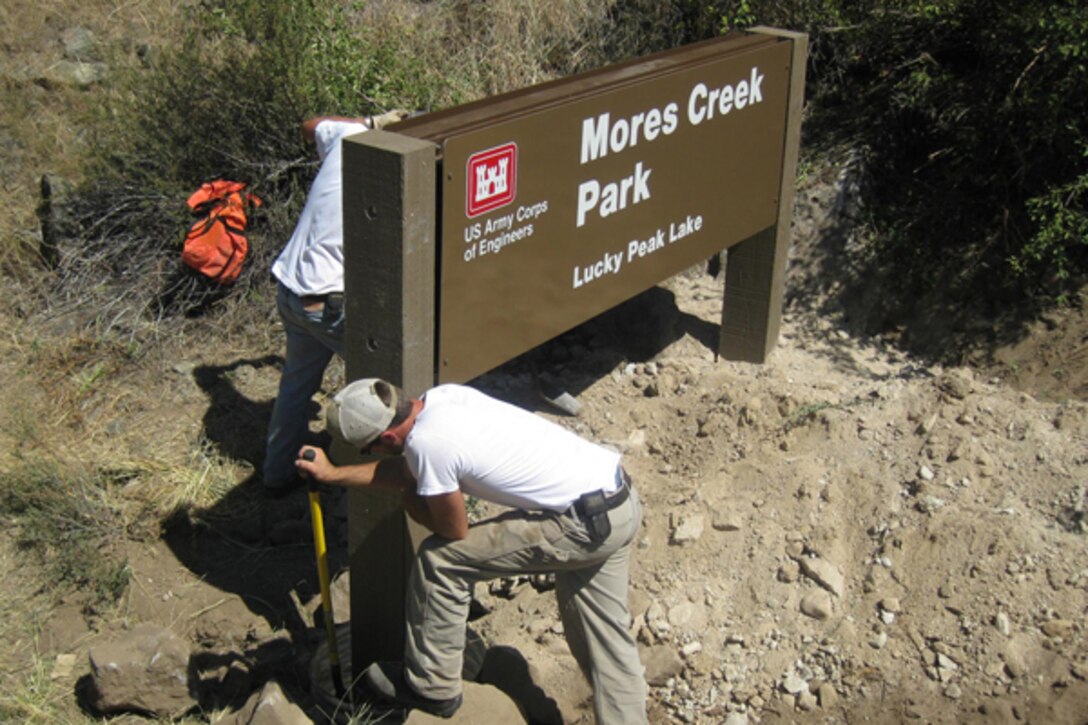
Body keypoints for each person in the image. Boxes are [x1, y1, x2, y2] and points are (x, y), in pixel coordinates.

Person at [297, 378, 649, 722]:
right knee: (605, 644)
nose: (371, 453)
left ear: (388, 437)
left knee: (441, 560)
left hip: (581, 526)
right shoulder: (443, 398)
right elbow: (409, 470)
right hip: (617, 502)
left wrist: (412, 503)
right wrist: (333, 474)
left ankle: (432, 686)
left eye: (369, 448)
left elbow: (454, 529)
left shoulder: (428, 444)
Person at [262, 111, 407, 497]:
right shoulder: (397, 168)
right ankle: (373, 476)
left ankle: (277, 475)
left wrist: (369, 120)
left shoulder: (350, 135)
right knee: (390, 387)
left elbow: (308, 125)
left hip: (291, 289)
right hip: (325, 303)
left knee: (296, 384)